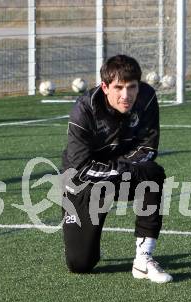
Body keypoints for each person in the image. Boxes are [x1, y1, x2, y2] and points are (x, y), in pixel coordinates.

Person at [62, 54, 173, 283]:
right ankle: (86, 241)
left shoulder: (147, 97)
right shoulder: (84, 110)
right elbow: (80, 168)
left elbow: (148, 147)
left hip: (121, 172)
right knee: (80, 264)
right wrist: (124, 169)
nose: (126, 95)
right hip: (84, 182)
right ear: (105, 87)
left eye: (131, 87)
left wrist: (124, 170)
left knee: (152, 174)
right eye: (119, 87)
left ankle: (143, 259)